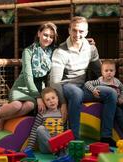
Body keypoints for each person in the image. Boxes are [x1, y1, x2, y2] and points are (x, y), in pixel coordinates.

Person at [50, 16, 118, 147]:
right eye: (74, 30)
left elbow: (100, 71)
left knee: (111, 93)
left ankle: (106, 136)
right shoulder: (60, 51)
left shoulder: (91, 49)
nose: (77, 34)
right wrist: (63, 103)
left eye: (81, 31)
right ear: (69, 30)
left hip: (83, 87)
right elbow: (55, 81)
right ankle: (74, 139)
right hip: (65, 87)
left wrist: (114, 85)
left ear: (86, 32)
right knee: (76, 93)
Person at [0, 22, 58, 132]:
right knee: (17, 105)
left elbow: (66, 48)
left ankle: (3, 119)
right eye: (45, 35)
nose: (48, 39)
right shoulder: (28, 51)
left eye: (51, 37)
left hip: (36, 90)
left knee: (29, 106)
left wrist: (87, 42)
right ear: (39, 33)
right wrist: (38, 97)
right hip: (22, 87)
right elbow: (28, 76)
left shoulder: (52, 52)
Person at [84, 60, 123, 141]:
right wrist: (93, 90)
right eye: (106, 71)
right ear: (102, 72)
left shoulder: (116, 81)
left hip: (117, 101)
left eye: (111, 71)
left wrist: (121, 97)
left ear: (115, 72)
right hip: (108, 103)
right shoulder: (100, 81)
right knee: (118, 113)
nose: (109, 73)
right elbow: (87, 84)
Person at [25, 87, 66, 154]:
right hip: (45, 147)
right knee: (39, 128)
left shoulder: (63, 113)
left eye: (53, 98)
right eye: (48, 100)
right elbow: (34, 131)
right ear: (44, 103)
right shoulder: (42, 114)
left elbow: (66, 130)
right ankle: (56, 150)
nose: (51, 101)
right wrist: (29, 148)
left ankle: (57, 150)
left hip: (60, 145)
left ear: (58, 99)